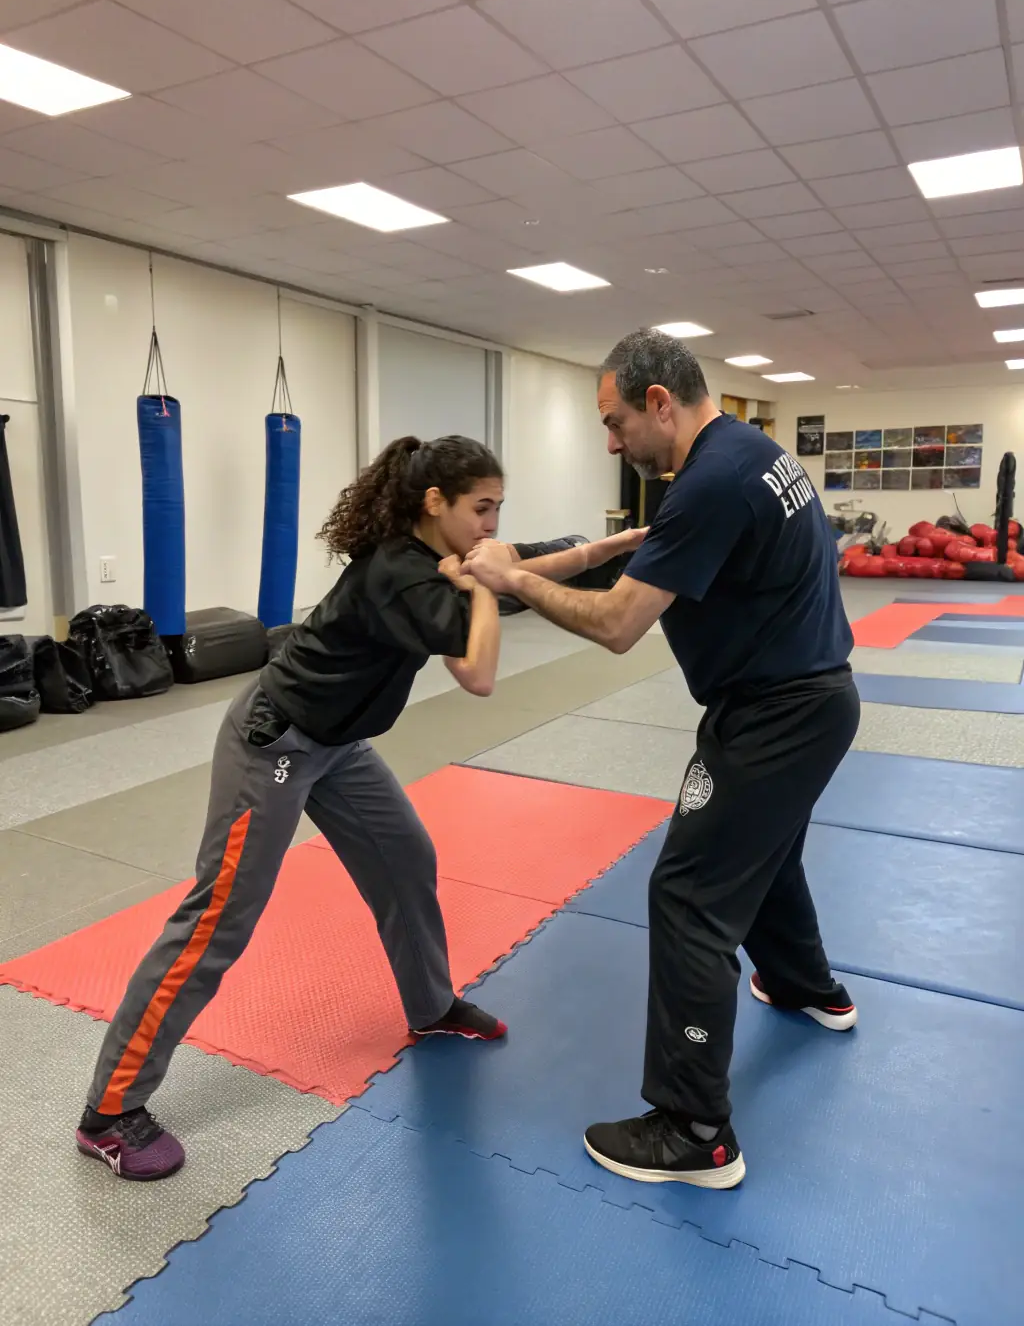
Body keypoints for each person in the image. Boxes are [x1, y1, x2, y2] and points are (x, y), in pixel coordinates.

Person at [76, 433, 644, 1182]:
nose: (491, 524)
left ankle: (431, 1003)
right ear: (432, 502)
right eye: (482, 508)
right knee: (220, 915)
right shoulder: (397, 574)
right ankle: (109, 1109)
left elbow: (529, 562)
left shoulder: (442, 557)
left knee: (407, 857)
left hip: (340, 744)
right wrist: (484, 584)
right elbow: (477, 672)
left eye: (498, 508)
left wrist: (624, 543)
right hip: (275, 743)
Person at [463, 330, 860, 1191]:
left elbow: (616, 626)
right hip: (813, 699)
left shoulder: (711, 482)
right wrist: (528, 561)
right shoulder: (746, 452)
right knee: (764, 851)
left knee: (688, 892)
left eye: (613, 423)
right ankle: (806, 985)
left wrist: (513, 581)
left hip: (773, 715)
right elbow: (634, 553)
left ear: (657, 402)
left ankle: (694, 1129)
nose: (611, 444)